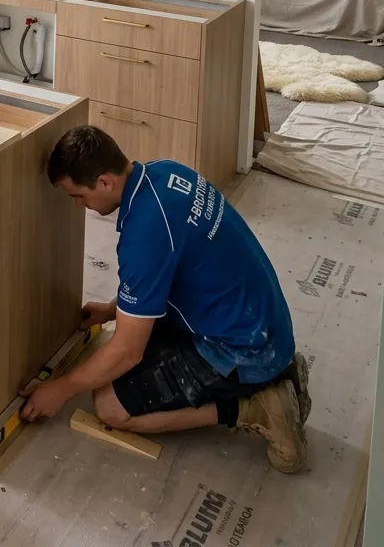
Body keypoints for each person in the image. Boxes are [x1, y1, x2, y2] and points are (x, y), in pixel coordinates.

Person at [20, 125, 310, 473]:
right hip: (264, 321)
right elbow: (168, 268)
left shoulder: (144, 236)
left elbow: (128, 351)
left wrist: (61, 389)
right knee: (116, 355)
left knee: (111, 404)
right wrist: (114, 310)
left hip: (244, 348)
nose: (80, 206)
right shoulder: (165, 171)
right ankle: (278, 373)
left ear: (105, 182)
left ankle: (257, 407)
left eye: (78, 196)